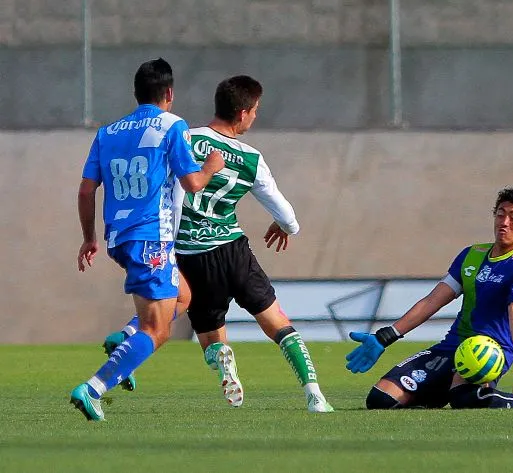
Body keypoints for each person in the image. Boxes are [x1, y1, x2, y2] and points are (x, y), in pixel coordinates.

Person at [104, 75, 334, 413]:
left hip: (188, 254)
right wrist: (285, 226)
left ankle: (210, 355)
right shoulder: (251, 157)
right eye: (255, 111)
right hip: (232, 250)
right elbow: (287, 214)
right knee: (277, 322)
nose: (255, 117)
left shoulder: (183, 137)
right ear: (242, 113)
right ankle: (314, 394)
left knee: (206, 331)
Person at [71, 58, 224, 421]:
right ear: (169, 93)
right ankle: (93, 388)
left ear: (136, 93)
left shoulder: (107, 132)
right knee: (158, 329)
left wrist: (88, 238)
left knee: (183, 296)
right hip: (150, 237)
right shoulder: (173, 126)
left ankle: (124, 336)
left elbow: (85, 190)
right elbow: (193, 183)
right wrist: (211, 167)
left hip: (119, 238)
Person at [345, 186, 513, 409]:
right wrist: (387, 335)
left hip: (489, 349)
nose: (504, 222)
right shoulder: (471, 255)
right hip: (453, 345)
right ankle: (435, 393)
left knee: (464, 399)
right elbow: (433, 300)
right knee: (380, 400)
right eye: (500, 214)